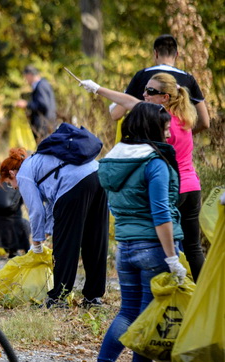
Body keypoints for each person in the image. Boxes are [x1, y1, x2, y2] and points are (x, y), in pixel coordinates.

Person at [88, 102, 186, 362]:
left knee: (128, 313)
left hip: (125, 249)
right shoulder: (154, 163)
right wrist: (172, 258)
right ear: (151, 128)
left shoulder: (115, 160)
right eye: (165, 126)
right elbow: (161, 213)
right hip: (154, 250)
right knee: (146, 320)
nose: (170, 131)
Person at [80, 72, 204, 281]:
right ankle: (203, 297)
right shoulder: (184, 117)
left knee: (163, 244)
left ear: (165, 97)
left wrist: (97, 89)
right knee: (193, 248)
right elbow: (133, 102)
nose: (145, 95)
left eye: (151, 91)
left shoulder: (159, 119)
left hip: (173, 189)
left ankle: (167, 293)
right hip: (192, 188)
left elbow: (130, 102)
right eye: (145, 90)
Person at [16, 131, 108, 308]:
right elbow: (53, 205)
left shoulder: (23, 174)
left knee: (66, 243)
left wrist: (36, 242)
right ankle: (93, 297)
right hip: (97, 174)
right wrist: (49, 230)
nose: (14, 188)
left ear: (12, 172)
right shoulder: (43, 160)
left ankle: (58, 297)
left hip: (74, 182)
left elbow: (36, 211)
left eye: (9, 183)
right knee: (95, 239)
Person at [109, 34, 210, 134]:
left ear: (155, 53)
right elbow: (205, 122)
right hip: (176, 147)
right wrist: (182, 135)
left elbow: (116, 114)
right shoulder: (189, 79)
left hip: (146, 142)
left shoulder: (141, 75)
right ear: (177, 55)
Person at [15, 65, 57, 141]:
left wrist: (26, 104)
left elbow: (43, 106)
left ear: (30, 75)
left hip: (44, 127)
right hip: (47, 126)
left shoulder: (41, 86)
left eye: (26, 77)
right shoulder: (43, 84)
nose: (26, 80)